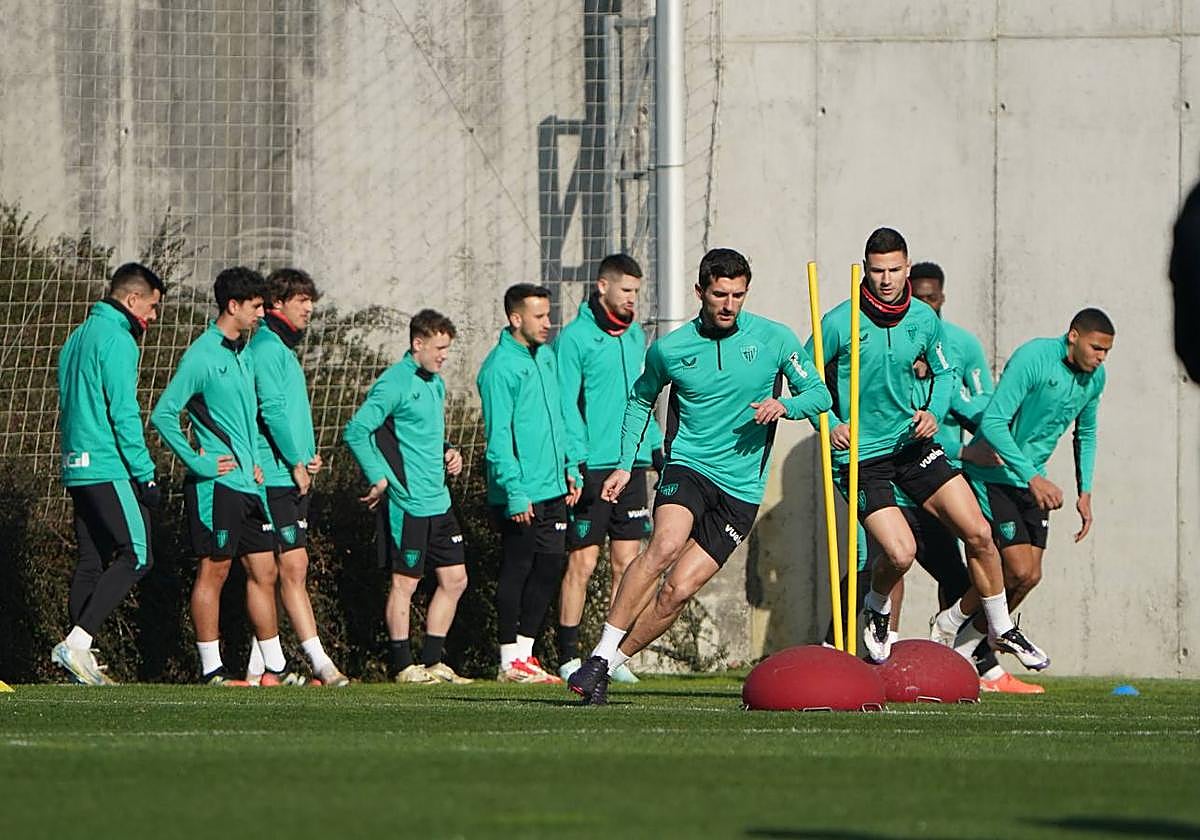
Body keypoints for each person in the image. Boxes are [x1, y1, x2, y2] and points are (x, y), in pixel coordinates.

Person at [567, 247, 832, 705]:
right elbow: (639, 400)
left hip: (742, 489)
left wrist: (784, 406)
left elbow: (820, 394)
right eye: (720, 294)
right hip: (688, 466)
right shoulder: (671, 349)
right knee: (665, 545)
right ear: (700, 292)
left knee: (677, 591)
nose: (729, 304)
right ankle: (600, 652)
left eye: (738, 295)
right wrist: (625, 464)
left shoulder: (774, 339)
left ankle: (606, 667)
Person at [811, 228, 1046, 669]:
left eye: (895, 270)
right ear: (865, 269)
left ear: (907, 267)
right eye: (877, 271)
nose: (885, 279)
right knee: (900, 554)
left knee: (978, 532)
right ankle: (877, 607)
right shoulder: (839, 322)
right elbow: (806, 379)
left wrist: (934, 412)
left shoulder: (923, 319)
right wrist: (829, 421)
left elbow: (943, 371)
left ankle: (1001, 627)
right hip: (862, 458)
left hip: (913, 446)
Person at [930, 309, 1114, 680]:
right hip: (993, 475)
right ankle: (951, 620)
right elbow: (995, 421)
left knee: (1028, 577)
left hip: (1032, 479)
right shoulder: (1034, 358)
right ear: (1074, 336)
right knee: (1013, 568)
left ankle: (966, 646)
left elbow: (1087, 433)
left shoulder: (1096, 378)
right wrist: (1031, 477)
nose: (1101, 358)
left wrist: (1086, 491)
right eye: (1096, 348)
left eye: (1107, 352)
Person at [152, 267, 302, 686]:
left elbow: (244, 420)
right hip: (215, 487)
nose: (261, 315)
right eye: (256, 307)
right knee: (214, 572)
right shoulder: (202, 356)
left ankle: (277, 667)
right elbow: (163, 414)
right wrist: (196, 461)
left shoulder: (242, 354)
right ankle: (212, 671)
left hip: (248, 485)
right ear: (232, 306)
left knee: (265, 571)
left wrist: (254, 460)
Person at [910, 264, 1043, 693]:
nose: (925, 304)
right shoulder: (892, 339)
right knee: (876, 564)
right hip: (891, 472)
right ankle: (843, 651)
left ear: (942, 299)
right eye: (919, 296)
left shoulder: (962, 345)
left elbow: (981, 406)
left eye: (932, 297)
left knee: (966, 568)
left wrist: (980, 447)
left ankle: (971, 666)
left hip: (943, 474)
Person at [344, 309, 472, 685]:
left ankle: (433, 662)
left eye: (447, 348)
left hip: (440, 501)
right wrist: (380, 478)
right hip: (409, 503)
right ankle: (402, 665)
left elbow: (424, 434)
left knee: (455, 579)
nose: (444, 355)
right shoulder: (394, 383)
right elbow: (357, 430)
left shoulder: (435, 383)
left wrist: (450, 451)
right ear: (418, 344)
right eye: (439, 348)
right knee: (406, 583)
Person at [52, 262, 165, 685]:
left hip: (76, 464)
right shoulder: (118, 339)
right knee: (137, 555)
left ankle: (78, 663)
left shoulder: (78, 335)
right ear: (132, 299)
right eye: (152, 308)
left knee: (91, 561)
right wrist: (145, 473)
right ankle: (77, 644)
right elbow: (123, 412)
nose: (152, 318)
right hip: (107, 464)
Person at [554, 254, 664, 683]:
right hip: (593, 468)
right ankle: (566, 655)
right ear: (603, 287)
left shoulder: (635, 336)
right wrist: (575, 461)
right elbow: (565, 404)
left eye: (637, 292)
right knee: (582, 563)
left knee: (628, 564)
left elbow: (645, 397)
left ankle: (610, 655)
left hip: (632, 466)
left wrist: (654, 448)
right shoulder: (575, 339)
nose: (633, 299)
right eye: (626, 291)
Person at [243, 268, 348, 687]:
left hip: (290, 473)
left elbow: (288, 413)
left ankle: (259, 670)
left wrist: (307, 457)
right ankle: (321, 662)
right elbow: (270, 411)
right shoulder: (267, 348)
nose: (309, 308)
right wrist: (295, 462)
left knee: (280, 572)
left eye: (311, 301)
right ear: (276, 305)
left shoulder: (280, 349)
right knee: (293, 567)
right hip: (274, 477)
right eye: (302, 299)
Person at [478, 284, 583, 683]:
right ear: (515, 318)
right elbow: (499, 438)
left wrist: (571, 467)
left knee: (549, 567)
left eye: (549, 314)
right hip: (520, 492)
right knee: (519, 568)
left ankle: (525, 655)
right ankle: (507, 660)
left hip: (554, 486)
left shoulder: (547, 358)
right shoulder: (499, 368)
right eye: (539, 316)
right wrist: (515, 491)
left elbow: (561, 415)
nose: (548, 323)